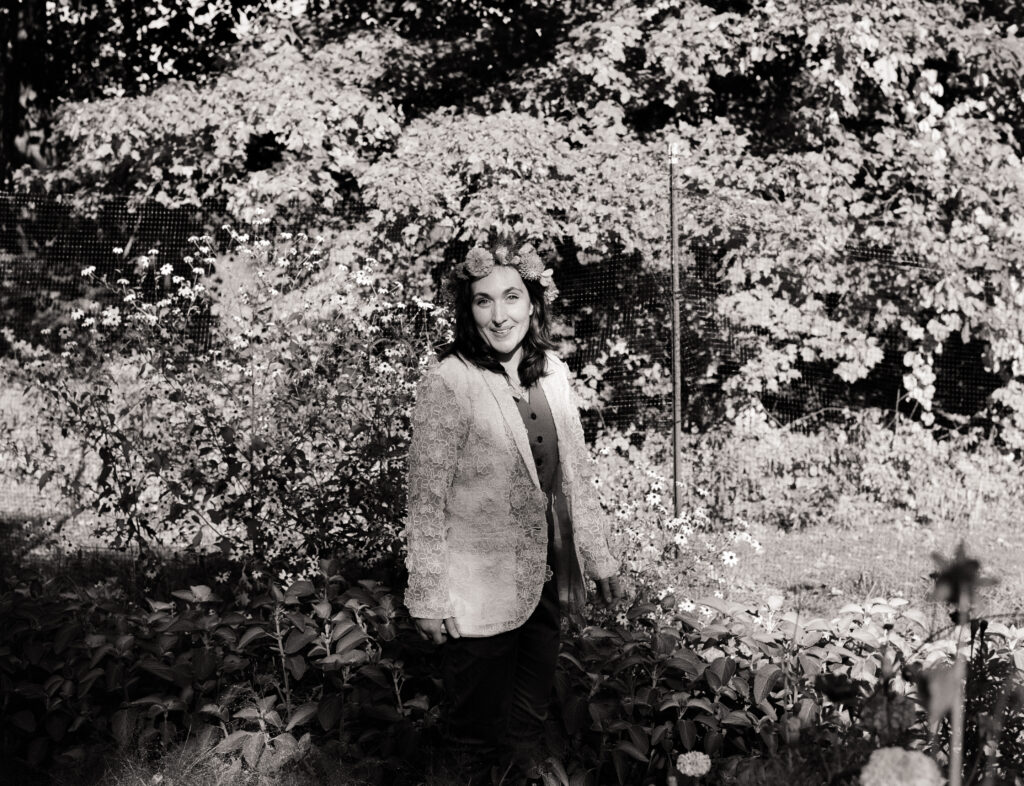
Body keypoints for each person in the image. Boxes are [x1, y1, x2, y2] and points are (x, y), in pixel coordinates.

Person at [403, 237, 623, 782]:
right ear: (468, 309)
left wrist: (600, 559)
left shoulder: (554, 374)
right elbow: (426, 498)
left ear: (532, 303)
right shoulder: (450, 380)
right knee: (473, 738)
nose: (499, 315)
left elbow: (576, 476)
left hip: (544, 577)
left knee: (528, 725)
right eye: (484, 301)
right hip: (477, 588)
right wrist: (427, 595)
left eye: (511, 297)